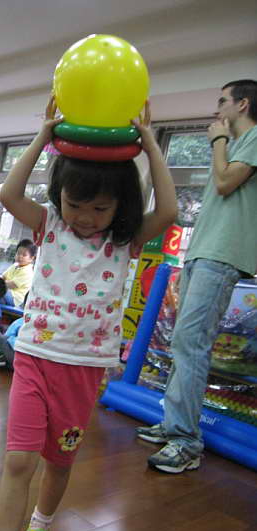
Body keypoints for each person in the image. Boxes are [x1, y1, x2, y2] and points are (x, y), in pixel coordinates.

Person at [0, 95, 177, 531]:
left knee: (59, 462)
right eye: (75, 204)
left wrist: (151, 145)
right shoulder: (50, 226)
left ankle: (42, 524)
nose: (85, 217)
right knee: (20, 461)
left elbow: (168, 210)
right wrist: (43, 135)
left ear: (120, 206)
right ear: (60, 198)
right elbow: (9, 193)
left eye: (100, 208)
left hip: (84, 370)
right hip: (35, 358)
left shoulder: (125, 240)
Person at [136, 79, 257, 473]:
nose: (217, 108)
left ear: (243, 104)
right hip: (202, 253)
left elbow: (225, 183)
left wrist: (218, 139)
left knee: (191, 344)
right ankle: (174, 425)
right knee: (182, 343)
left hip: (221, 257)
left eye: (223, 100)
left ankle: (186, 442)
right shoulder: (235, 145)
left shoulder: (253, 138)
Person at [0, 239, 36, 306]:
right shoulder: (15, 265)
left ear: (31, 258)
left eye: (24, 255)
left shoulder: (28, 271)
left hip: (14, 298)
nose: (20, 256)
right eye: (18, 253)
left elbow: (12, 285)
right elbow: (3, 276)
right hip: (6, 292)